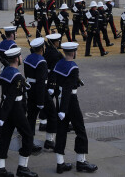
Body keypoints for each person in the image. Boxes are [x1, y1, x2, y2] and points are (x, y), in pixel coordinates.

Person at [53, 41, 97, 174]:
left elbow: (59, 83)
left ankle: (60, 163)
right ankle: (81, 161)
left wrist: (60, 106)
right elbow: (67, 88)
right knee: (80, 129)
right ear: (73, 52)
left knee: (61, 131)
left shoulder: (59, 63)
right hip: (70, 100)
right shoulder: (73, 67)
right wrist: (63, 110)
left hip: (60, 99)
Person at [0, 46, 37, 177]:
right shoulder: (17, 76)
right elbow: (12, 97)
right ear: (17, 58)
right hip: (16, 108)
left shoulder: (6, 71)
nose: (21, 58)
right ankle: (23, 167)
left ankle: (0, 168)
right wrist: (2, 117)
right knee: (28, 135)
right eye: (20, 57)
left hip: (8, 109)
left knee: (5, 137)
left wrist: (3, 115)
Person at [24, 38, 51, 151]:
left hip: (30, 88)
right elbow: (40, 82)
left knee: (31, 117)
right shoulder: (41, 61)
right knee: (52, 114)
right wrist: (40, 101)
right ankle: (50, 140)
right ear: (42, 48)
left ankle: (29, 143)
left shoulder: (27, 58)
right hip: (39, 91)